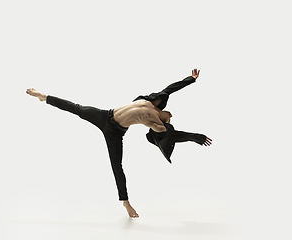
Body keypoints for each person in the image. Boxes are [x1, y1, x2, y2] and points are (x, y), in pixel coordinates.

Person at [26, 69, 212, 218]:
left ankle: (125, 202)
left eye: (170, 118)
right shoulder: (154, 102)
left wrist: (196, 137)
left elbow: (176, 136)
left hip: (114, 132)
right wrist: (191, 79)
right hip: (106, 115)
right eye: (170, 115)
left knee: (117, 166)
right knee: (78, 109)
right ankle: (44, 97)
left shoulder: (157, 125)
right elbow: (170, 89)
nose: (171, 114)